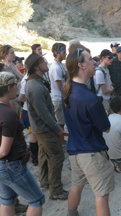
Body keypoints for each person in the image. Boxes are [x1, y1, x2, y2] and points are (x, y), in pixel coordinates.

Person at [62, 48, 114, 216]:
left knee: (77, 185)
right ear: (81, 65)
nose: (95, 61)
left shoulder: (67, 91)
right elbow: (106, 127)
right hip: (91, 153)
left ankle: (71, 213)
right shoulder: (90, 98)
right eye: (90, 59)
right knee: (101, 195)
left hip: (74, 150)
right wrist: (103, 114)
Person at [0, 72, 45, 216]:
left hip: (3, 166)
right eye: (16, 85)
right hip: (11, 165)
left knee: (7, 200)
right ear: (8, 87)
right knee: (36, 200)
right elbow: (3, 151)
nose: (18, 88)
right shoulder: (8, 114)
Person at [25, 53, 68, 200]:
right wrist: (57, 129)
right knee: (57, 155)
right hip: (44, 129)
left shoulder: (35, 82)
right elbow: (43, 113)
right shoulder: (35, 87)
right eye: (43, 61)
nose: (46, 63)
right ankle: (56, 190)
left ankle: (44, 181)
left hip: (41, 128)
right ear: (36, 67)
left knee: (44, 154)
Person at [49, 43, 67, 146]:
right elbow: (61, 87)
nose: (65, 54)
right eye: (63, 52)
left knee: (62, 121)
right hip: (59, 99)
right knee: (60, 122)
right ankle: (61, 142)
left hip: (62, 98)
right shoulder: (56, 68)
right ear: (57, 53)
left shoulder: (61, 65)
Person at [0, 45, 24, 116]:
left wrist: (13, 68)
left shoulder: (12, 65)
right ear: (5, 55)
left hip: (17, 96)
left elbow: (22, 78)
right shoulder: (2, 67)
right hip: (11, 99)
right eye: (12, 53)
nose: (14, 55)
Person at [94, 49, 114, 114]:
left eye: (112, 58)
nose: (112, 60)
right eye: (109, 58)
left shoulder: (106, 69)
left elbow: (109, 81)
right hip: (102, 99)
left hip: (108, 98)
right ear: (103, 58)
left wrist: (111, 86)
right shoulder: (99, 72)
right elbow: (104, 91)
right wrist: (112, 90)